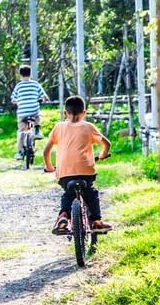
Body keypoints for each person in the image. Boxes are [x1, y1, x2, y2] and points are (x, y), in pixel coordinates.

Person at [43, 95, 113, 234]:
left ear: (65, 113)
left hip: (64, 173)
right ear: (84, 113)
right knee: (91, 193)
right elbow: (107, 143)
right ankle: (96, 222)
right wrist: (103, 155)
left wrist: (50, 167)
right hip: (86, 171)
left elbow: (46, 151)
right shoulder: (89, 126)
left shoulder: (59, 127)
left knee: (68, 194)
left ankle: (63, 216)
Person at [10, 64, 49, 160]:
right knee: (37, 116)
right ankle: (37, 130)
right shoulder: (35, 84)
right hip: (33, 110)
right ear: (31, 74)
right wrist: (44, 99)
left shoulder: (18, 86)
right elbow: (44, 96)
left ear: (20, 75)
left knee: (21, 131)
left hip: (22, 113)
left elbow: (13, 99)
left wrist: (16, 102)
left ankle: (19, 152)